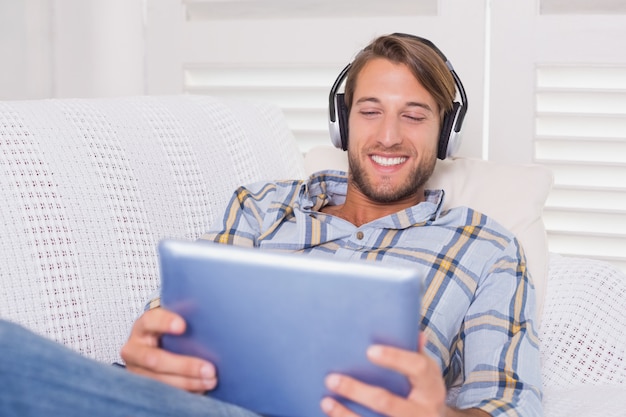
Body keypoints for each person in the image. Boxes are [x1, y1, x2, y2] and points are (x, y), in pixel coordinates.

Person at [0, 33, 542, 417]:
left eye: (416, 115)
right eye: (370, 110)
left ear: (445, 134)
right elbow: (174, 327)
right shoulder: (260, 207)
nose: (389, 136)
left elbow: (511, 404)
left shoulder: (486, 246)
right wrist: (149, 352)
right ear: (342, 123)